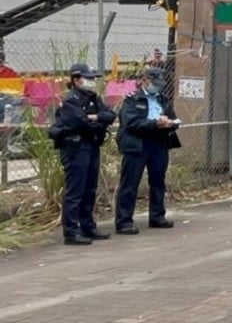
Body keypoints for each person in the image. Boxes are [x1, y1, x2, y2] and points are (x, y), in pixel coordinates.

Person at [49, 63, 116, 246]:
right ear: (76, 79)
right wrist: (96, 120)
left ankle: (88, 226)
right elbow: (82, 123)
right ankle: (71, 231)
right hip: (75, 147)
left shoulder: (93, 98)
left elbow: (110, 115)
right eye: (89, 78)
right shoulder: (71, 100)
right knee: (75, 190)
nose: (92, 82)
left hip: (92, 145)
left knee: (90, 188)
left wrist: (96, 118)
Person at [114, 66, 181, 234]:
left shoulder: (163, 99)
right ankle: (124, 221)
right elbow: (131, 123)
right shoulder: (132, 99)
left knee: (158, 181)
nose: (157, 86)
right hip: (138, 144)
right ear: (145, 80)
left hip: (158, 142)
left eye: (159, 83)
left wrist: (171, 123)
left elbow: (172, 117)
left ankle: (157, 216)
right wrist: (154, 123)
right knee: (130, 183)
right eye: (154, 83)